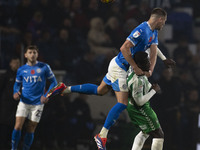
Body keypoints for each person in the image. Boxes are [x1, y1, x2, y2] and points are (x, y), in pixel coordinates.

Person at [47, 8, 175, 150]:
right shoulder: (141, 30)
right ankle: (102, 135)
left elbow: (154, 50)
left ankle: (65, 88)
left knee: (100, 90)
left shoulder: (153, 31)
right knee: (122, 103)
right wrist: (136, 67)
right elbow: (123, 48)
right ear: (160, 20)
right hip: (120, 67)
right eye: (164, 22)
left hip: (119, 66)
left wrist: (161, 61)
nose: (164, 25)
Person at [11, 45, 58, 150]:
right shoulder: (21, 70)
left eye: (34, 52)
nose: (32, 54)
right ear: (25, 55)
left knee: (31, 128)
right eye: (30, 52)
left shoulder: (44, 67)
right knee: (18, 126)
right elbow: (17, 84)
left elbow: (54, 82)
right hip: (24, 101)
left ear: (37, 54)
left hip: (38, 104)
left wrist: (46, 95)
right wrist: (15, 92)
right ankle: (13, 148)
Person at [126, 51, 164, 150]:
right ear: (139, 65)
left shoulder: (133, 68)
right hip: (140, 108)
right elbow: (139, 101)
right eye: (146, 62)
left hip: (133, 105)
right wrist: (153, 91)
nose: (149, 63)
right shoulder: (137, 80)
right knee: (158, 134)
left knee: (145, 132)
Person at [0, 57, 20, 149]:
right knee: (4, 128)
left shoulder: (21, 76)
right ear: (10, 64)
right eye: (15, 62)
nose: (16, 64)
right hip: (6, 108)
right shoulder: (6, 76)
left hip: (16, 107)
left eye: (18, 63)